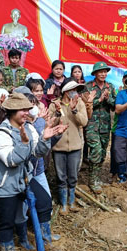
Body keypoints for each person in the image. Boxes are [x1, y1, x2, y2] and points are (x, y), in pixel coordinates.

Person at [0, 93, 64, 251]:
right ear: (12, 112)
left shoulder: (28, 128)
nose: (27, 113)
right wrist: (22, 144)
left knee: (44, 202)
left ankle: (44, 241)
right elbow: (11, 160)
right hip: (4, 183)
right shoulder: (1, 134)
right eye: (23, 110)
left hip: (24, 179)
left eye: (28, 109)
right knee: (6, 220)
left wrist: (46, 139)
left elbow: (36, 152)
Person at [49, 80, 87, 213]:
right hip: (58, 147)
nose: (75, 93)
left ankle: (71, 203)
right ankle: (63, 204)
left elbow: (84, 122)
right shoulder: (55, 104)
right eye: (73, 90)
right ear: (66, 91)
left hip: (75, 147)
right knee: (61, 177)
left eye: (76, 90)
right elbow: (49, 125)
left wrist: (74, 110)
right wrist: (58, 113)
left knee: (73, 176)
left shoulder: (79, 103)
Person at [84, 61, 116, 194]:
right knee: (96, 150)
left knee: (102, 153)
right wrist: (100, 99)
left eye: (105, 72)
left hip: (105, 125)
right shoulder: (88, 87)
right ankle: (92, 180)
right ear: (95, 73)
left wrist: (108, 99)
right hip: (91, 125)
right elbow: (86, 105)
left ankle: (95, 177)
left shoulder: (111, 87)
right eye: (100, 72)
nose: (103, 74)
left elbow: (115, 106)